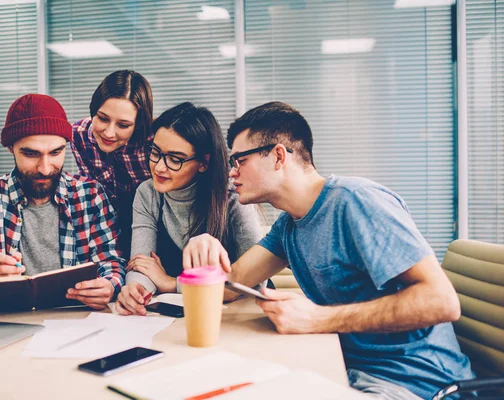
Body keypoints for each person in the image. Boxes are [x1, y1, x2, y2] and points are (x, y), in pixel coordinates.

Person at [181, 102, 474, 399]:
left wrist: (316, 319)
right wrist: (203, 245)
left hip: (415, 384)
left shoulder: (357, 202)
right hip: (343, 371)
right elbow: (234, 284)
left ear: (279, 156)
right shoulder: (289, 225)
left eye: (239, 160)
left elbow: (442, 301)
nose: (232, 173)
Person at [0, 94, 125, 310]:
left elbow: (113, 264)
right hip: (9, 329)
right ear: (11, 149)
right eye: (31, 154)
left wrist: (109, 286)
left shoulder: (91, 195)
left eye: (56, 152)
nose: (45, 168)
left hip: (76, 326)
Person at [115, 102, 263, 316]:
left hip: (237, 316)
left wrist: (171, 283)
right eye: (155, 152)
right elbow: (142, 265)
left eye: (175, 159)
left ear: (203, 163)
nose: (159, 167)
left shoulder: (233, 198)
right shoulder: (147, 193)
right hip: (180, 315)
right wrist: (136, 291)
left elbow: (255, 284)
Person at [71, 70, 154, 256]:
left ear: (138, 124)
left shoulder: (154, 143)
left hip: (154, 226)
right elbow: (94, 194)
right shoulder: (79, 135)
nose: (109, 133)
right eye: (102, 118)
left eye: (123, 125)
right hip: (108, 225)